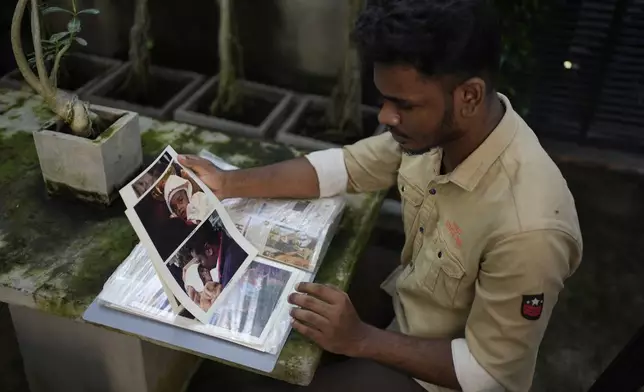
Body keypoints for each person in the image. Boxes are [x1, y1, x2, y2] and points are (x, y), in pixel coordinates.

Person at [178, 0, 582, 391]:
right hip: (404, 300)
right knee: (259, 305)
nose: (385, 117)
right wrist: (230, 184)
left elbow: (490, 376)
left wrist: (360, 340)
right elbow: (346, 167)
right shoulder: (440, 133)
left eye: (403, 104)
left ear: (470, 97)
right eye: (384, 99)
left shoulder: (530, 230)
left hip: (442, 377)